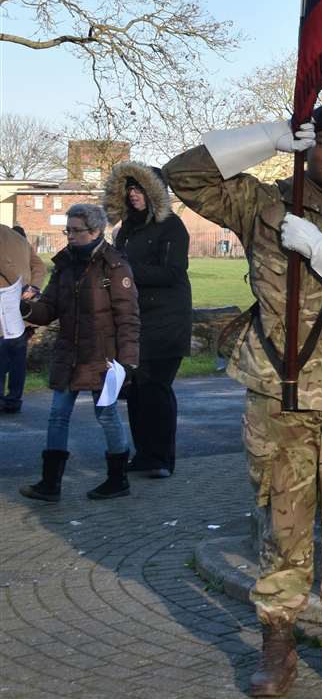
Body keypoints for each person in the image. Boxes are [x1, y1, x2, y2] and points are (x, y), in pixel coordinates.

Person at [167, 103, 322, 696]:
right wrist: (266, 137)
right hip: (281, 395)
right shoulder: (262, 207)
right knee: (283, 524)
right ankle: (277, 644)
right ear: (306, 148)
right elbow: (183, 175)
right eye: (321, 141)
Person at [17, 204, 140, 502]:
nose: (69, 236)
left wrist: (128, 361)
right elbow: (49, 308)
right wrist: (24, 307)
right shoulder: (65, 264)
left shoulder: (114, 266)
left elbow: (128, 316)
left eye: (75, 230)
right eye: (67, 230)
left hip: (103, 357)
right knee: (57, 416)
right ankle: (50, 483)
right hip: (68, 354)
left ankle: (117, 479)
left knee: (107, 415)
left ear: (95, 231)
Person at [104, 162, 192, 480]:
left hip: (168, 319)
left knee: (157, 388)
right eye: (130, 190)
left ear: (155, 193)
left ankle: (161, 458)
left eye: (140, 190)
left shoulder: (172, 227)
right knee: (138, 390)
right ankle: (144, 455)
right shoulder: (126, 228)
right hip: (137, 320)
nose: (134, 195)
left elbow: (172, 272)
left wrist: (125, 271)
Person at [1, 223, 46, 413]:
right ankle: (13, 400)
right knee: (17, 355)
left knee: (2, 354)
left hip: (5, 303)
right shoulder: (18, 237)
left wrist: (21, 287)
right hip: (22, 308)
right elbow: (39, 265)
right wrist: (33, 287)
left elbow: (3, 263)